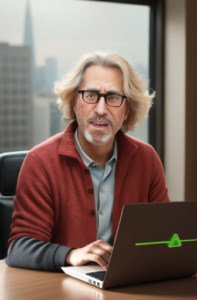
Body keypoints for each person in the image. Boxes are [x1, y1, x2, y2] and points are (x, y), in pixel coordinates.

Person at [6, 51, 170, 272]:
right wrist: (71, 255)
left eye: (113, 98)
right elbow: (20, 248)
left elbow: (165, 238)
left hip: (128, 286)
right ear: (74, 102)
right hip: (61, 290)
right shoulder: (40, 161)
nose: (101, 110)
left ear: (127, 109)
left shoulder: (147, 159)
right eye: (91, 95)